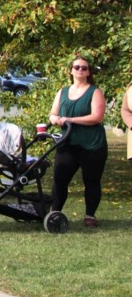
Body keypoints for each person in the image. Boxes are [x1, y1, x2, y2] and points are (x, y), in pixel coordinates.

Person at [48, 54, 107, 228]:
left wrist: (71, 120)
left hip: (92, 144)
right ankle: (54, 213)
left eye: (84, 68)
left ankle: (90, 215)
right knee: (60, 178)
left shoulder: (94, 91)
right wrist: (55, 119)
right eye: (77, 67)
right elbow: (53, 113)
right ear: (71, 71)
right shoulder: (63, 91)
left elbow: (97, 117)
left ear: (88, 72)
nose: (80, 70)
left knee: (91, 180)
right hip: (68, 143)